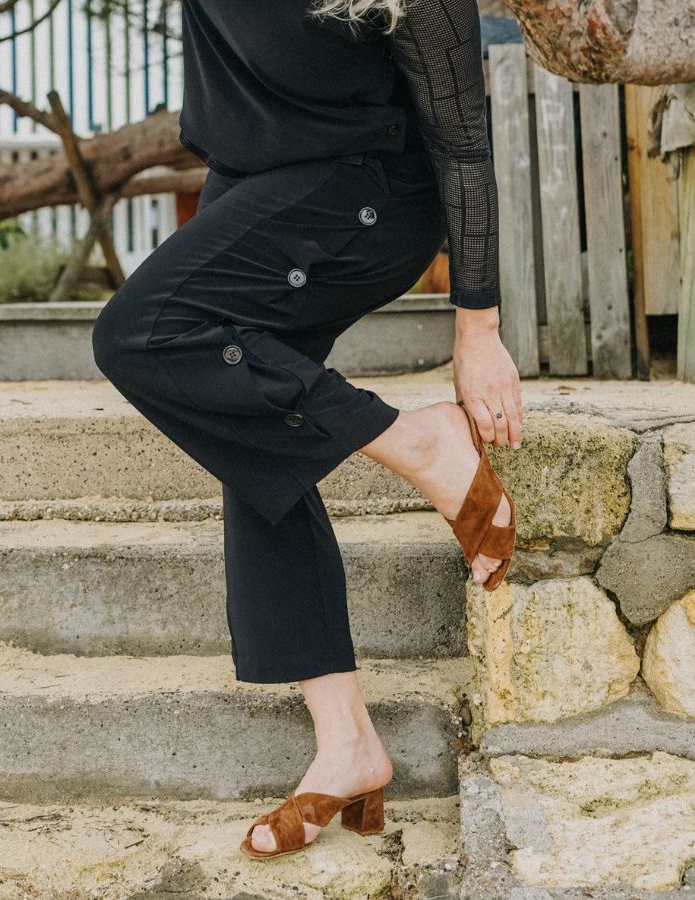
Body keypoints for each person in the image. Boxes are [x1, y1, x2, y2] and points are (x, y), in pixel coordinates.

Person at [91, 0, 522, 860]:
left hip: (366, 194)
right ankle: (347, 742)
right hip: (255, 185)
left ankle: (421, 444)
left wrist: (477, 329)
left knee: (138, 333)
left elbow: (464, 144)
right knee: (247, 426)